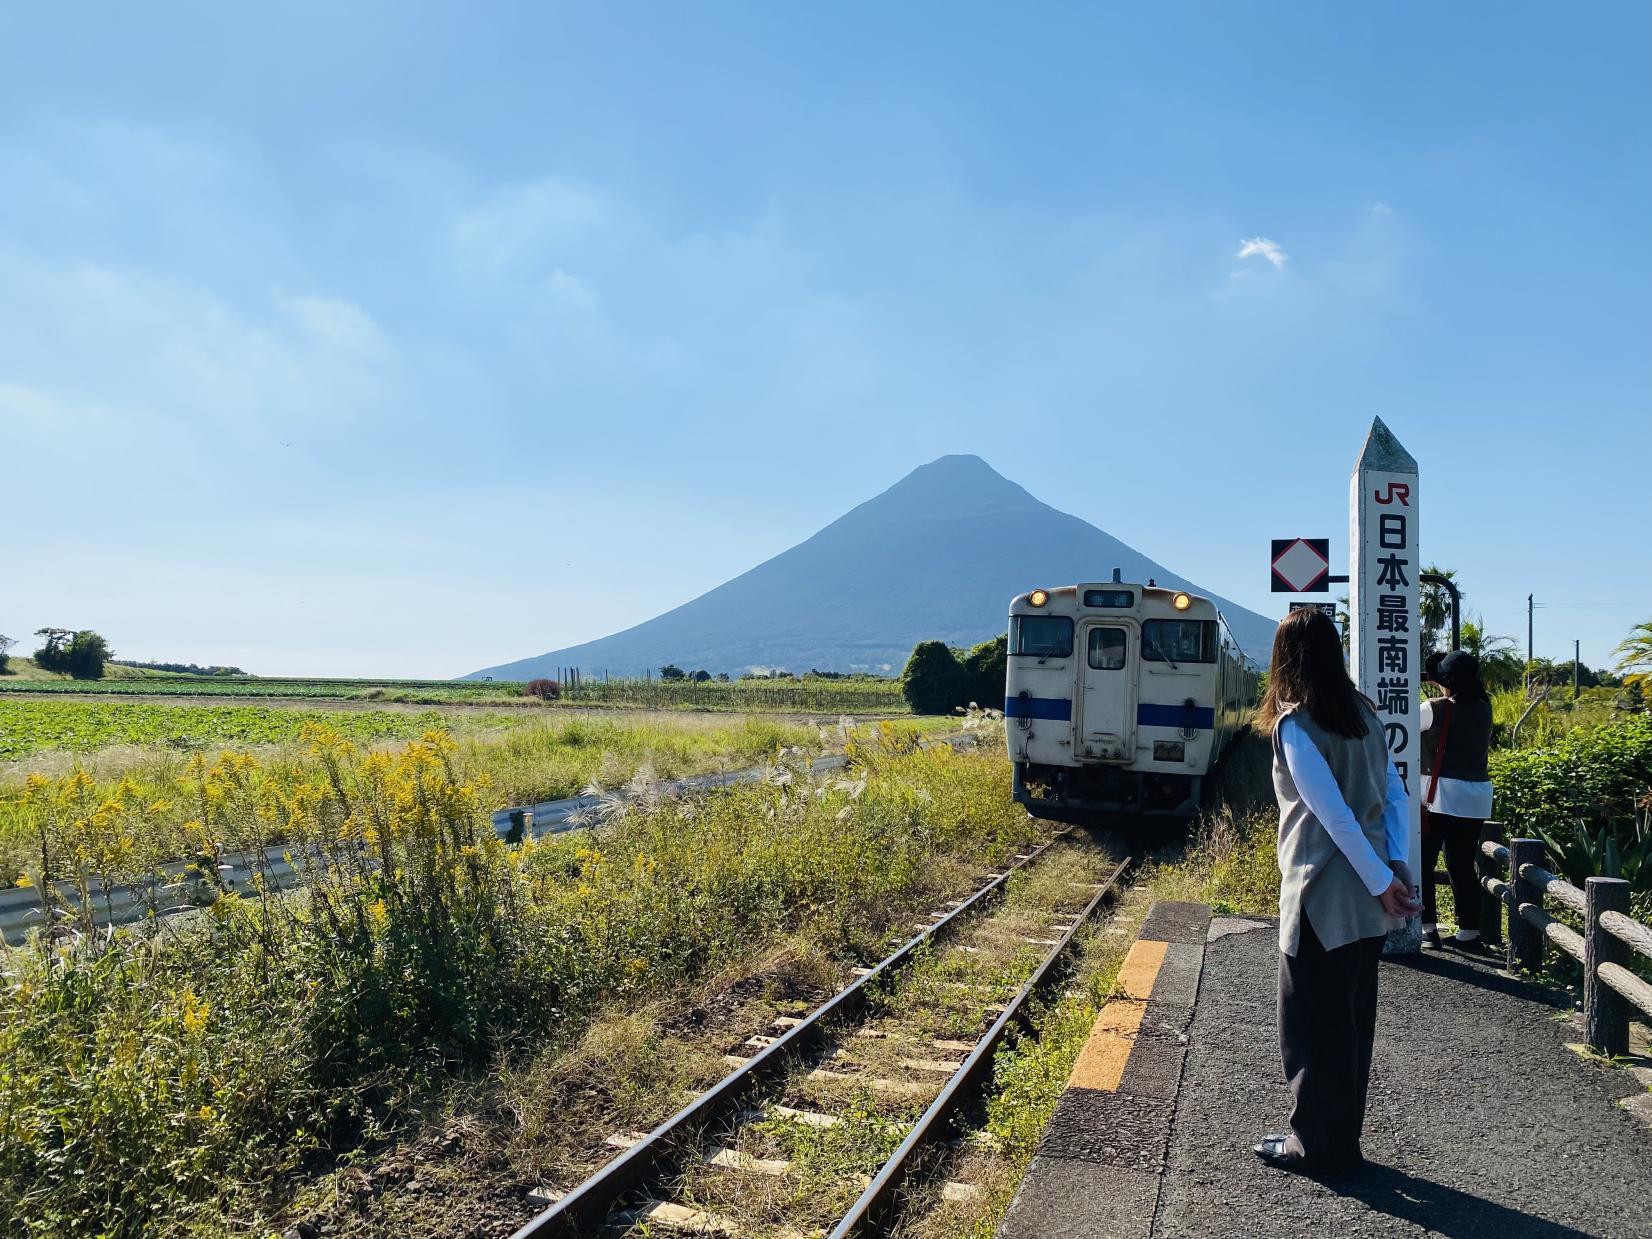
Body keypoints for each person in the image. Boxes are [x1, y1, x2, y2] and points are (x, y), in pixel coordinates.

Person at [1252, 607, 1421, 1174]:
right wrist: (1393, 870)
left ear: (1285, 661)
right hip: (1370, 902)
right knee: (1350, 1024)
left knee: (1310, 1027)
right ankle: (1340, 1140)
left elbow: (1331, 815)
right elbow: (1395, 797)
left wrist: (1381, 881)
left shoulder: (1296, 725)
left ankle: (1314, 1146)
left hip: (1321, 895)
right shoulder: (1365, 717)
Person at [1418, 650, 1495, 952]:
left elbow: (1398, 727)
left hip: (1439, 798)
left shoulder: (1434, 708)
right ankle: (1469, 933)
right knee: (1461, 865)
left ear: (1445, 681)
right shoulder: (1484, 706)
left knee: (1423, 862)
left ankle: (1427, 929)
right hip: (1475, 797)